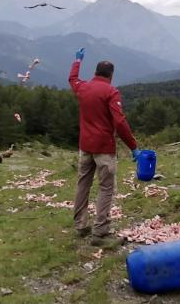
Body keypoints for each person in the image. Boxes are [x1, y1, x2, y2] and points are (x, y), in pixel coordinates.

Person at [69, 48, 140, 247]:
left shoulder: (83, 87)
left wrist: (77, 61)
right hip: (104, 149)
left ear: (96, 72)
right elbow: (119, 122)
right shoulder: (111, 92)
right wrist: (133, 147)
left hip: (85, 146)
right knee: (106, 188)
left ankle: (80, 225)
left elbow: (72, 79)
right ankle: (100, 232)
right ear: (111, 75)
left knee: (83, 184)